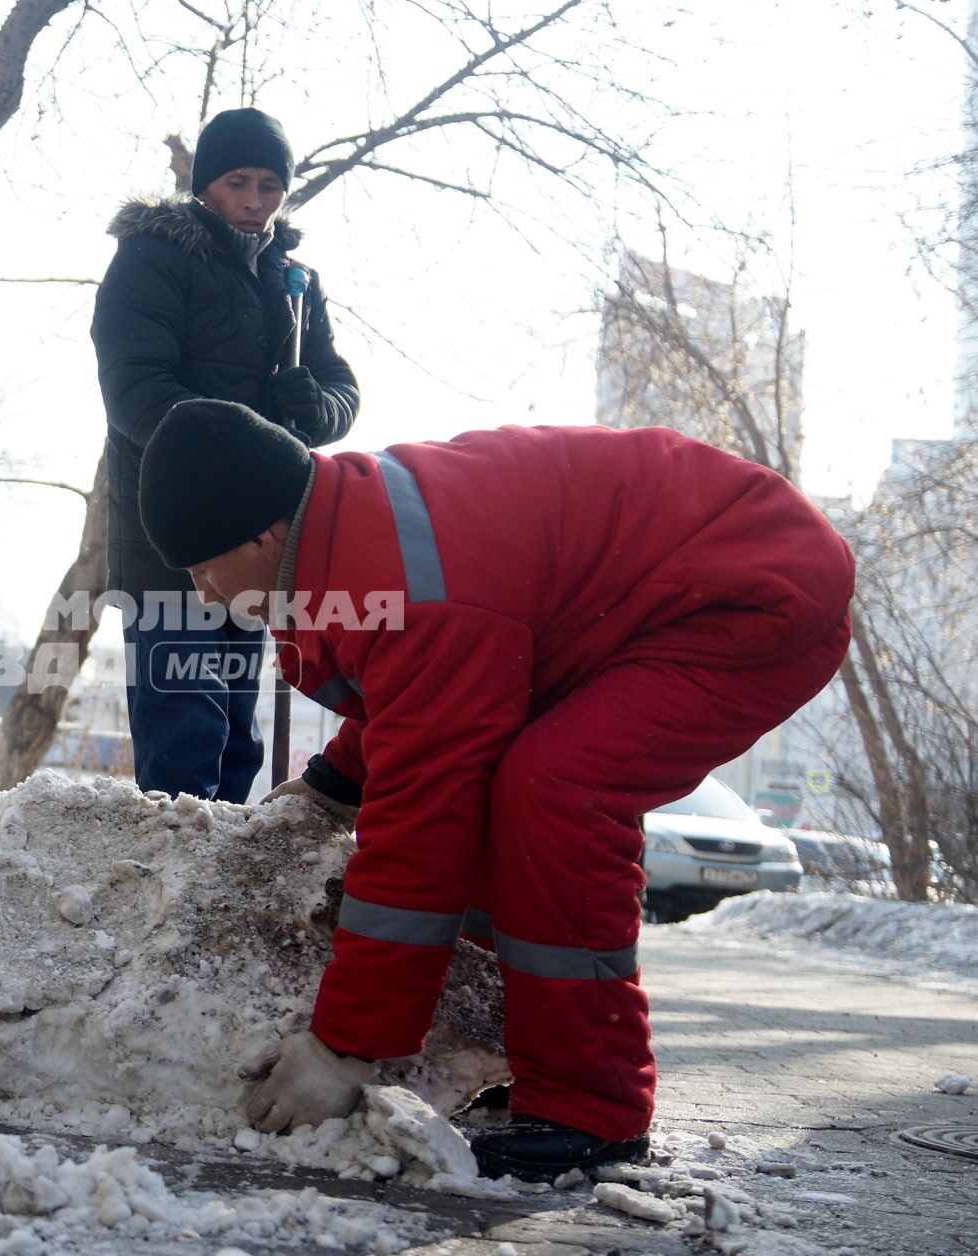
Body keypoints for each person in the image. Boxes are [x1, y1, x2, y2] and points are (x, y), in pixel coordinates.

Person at [135, 399, 854, 1181]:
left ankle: (593, 1108)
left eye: (205, 569)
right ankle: (494, 1047)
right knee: (498, 778)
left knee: (554, 791)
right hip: (649, 598)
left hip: (749, 595)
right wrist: (335, 783)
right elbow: (430, 699)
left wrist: (344, 1047)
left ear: (261, 537)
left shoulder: (406, 581)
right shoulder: (353, 535)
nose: (204, 595)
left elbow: (421, 828)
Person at [91, 106, 361, 804]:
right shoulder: (153, 259)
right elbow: (136, 392)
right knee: (185, 721)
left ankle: (226, 883)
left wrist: (312, 408)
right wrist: (241, 450)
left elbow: (341, 389)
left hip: (263, 537)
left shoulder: (293, 283)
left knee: (240, 729)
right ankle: (177, 879)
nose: (253, 200)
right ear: (206, 183)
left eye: (271, 185)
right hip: (172, 533)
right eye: (238, 181)